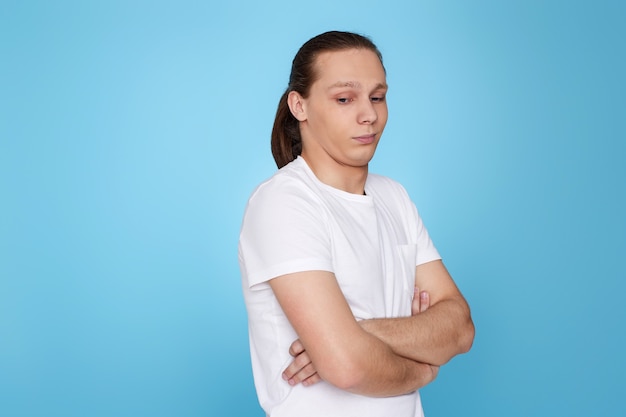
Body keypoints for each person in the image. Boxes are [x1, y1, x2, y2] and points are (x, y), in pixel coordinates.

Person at [238, 30, 474, 417]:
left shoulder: (394, 198)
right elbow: (346, 367)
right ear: (300, 105)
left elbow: (460, 327)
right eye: (344, 99)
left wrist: (359, 331)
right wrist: (424, 367)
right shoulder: (284, 202)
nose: (369, 114)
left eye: (377, 97)